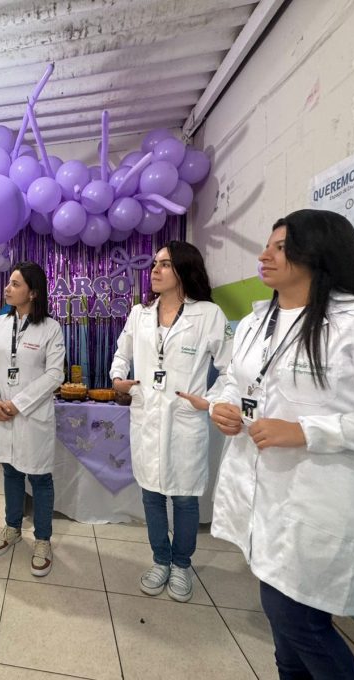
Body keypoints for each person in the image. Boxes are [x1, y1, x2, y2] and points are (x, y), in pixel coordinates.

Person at [209, 209, 354, 679]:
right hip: (259, 491)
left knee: (298, 621)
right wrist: (224, 406)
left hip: (317, 500)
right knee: (284, 624)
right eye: (267, 245)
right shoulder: (254, 323)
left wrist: (309, 431)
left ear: (318, 252)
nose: (264, 255)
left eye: (280, 247)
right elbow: (235, 379)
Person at [109, 241, 232, 602]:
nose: (155, 270)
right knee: (151, 494)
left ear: (184, 269)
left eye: (165, 264)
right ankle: (160, 559)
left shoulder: (208, 314)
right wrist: (118, 379)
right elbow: (121, 354)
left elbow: (231, 369)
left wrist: (210, 400)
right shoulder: (140, 313)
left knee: (184, 498)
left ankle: (181, 564)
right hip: (147, 414)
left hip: (184, 419)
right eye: (155, 264)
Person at [0, 262, 65, 576]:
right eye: (8, 282)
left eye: (15, 284)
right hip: (1, 410)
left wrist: (18, 404)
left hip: (31, 414)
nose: (7, 288)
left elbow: (55, 374)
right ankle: (12, 527)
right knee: (11, 472)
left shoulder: (50, 328)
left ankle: (42, 539)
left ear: (33, 293)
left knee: (40, 478)